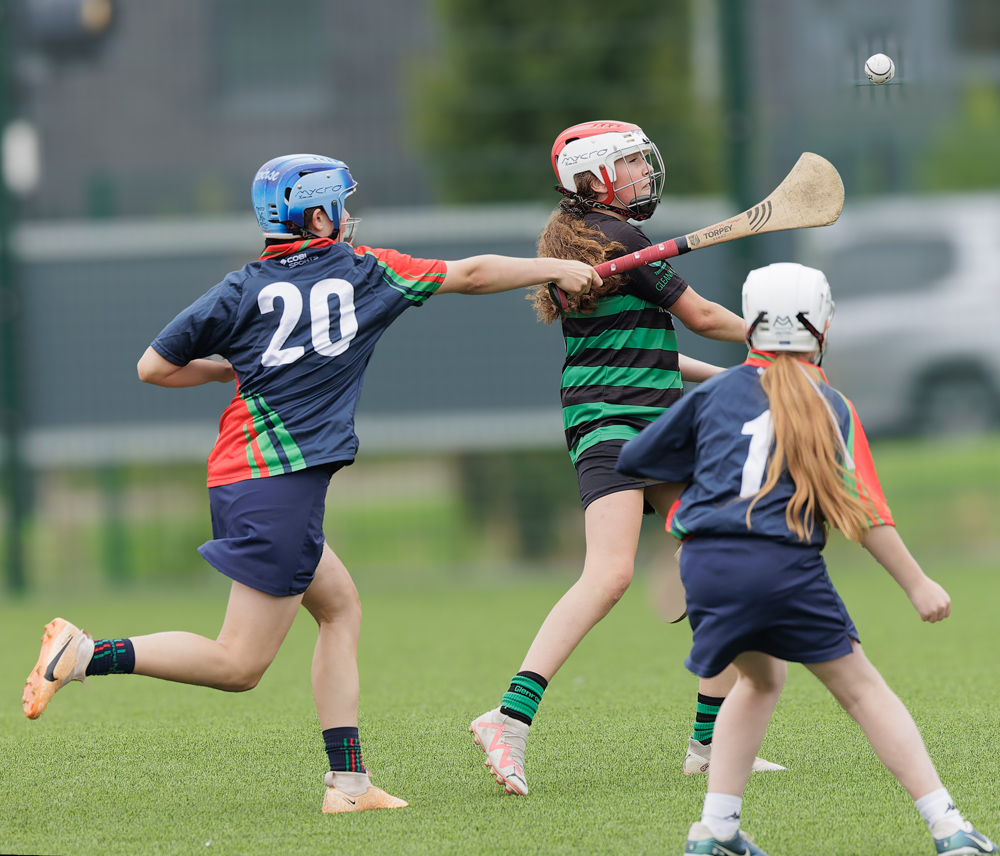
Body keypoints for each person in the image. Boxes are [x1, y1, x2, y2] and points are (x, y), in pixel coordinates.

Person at [22, 153, 599, 814]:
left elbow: (152, 367)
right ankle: (86, 654)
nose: (348, 217)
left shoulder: (240, 287)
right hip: (281, 487)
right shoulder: (364, 269)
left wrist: (223, 370)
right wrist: (556, 268)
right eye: (340, 206)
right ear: (318, 216)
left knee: (340, 608)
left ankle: (349, 785)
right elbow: (470, 274)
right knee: (239, 664)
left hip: (242, 476)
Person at [616, 262, 997, 856]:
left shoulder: (714, 393)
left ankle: (715, 830)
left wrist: (697, 505)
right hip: (779, 565)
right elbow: (865, 513)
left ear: (750, 325)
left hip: (706, 567)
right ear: (822, 325)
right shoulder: (829, 403)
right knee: (862, 690)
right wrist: (918, 583)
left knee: (759, 679)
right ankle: (949, 827)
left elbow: (635, 458)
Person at [469, 120, 783, 797]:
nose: (644, 174)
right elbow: (702, 316)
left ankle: (710, 743)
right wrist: (782, 338)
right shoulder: (616, 239)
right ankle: (508, 719)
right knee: (609, 574)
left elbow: (646, 348)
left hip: (652, 422)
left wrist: (745, 372)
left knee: (724, 554)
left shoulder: (590, 241)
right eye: (631, 165)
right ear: (594, 179)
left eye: (642, 162)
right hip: (614, 424)